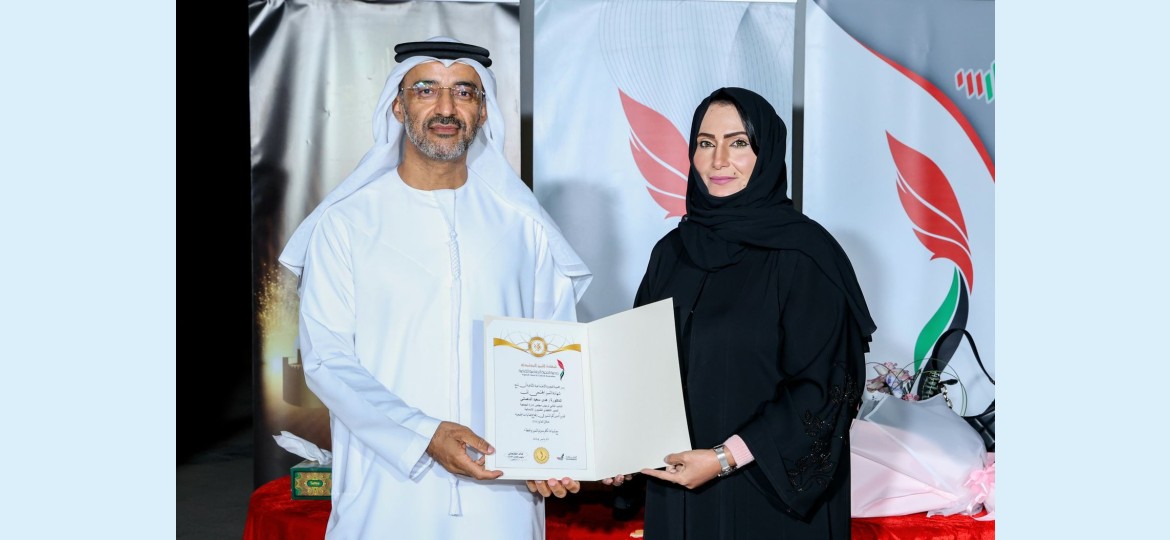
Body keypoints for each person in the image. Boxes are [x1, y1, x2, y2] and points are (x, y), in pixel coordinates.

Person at [277, 37, 592, 539]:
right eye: (426, 90)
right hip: (386, 487)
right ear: (398, 106)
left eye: (464, 92)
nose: (446, 108)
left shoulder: (524, 227)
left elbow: (554, 351)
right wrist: (424, 435)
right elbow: (327, 360)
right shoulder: (347, 223)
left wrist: (552, 449)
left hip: (502, 490)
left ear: (483, 111)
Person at [629, 87, 878, 539]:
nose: (719, 160)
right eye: (706, 143)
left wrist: (724, 457)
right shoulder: (671, 254)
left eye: (739, 142)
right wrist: (619, 449)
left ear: (767, 153)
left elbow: (825, 388)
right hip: (678, 493)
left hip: (769, 500)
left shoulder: (805, 255)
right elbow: (638, 366)